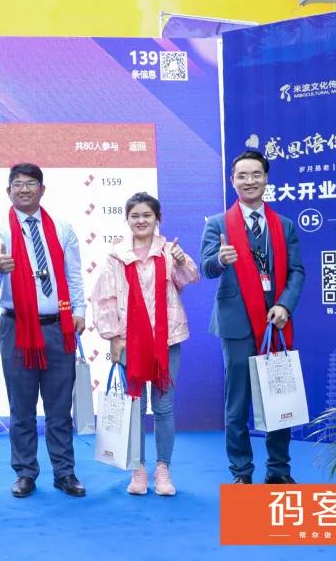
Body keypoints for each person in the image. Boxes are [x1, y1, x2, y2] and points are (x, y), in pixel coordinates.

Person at [0, 163, 87, 498]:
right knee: (22, 407)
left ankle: (64, 472)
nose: (24, 189)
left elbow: (73, 274)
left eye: (30, 183)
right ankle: (25, 472)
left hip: (58, 327)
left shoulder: (62, 227)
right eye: (17, 184)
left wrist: (80, 311)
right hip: (17, 328)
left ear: (42, 189)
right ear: (8, 191)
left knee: (59, 408)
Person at [200, 150, 305, 485]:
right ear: (232, 181)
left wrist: (285, 305)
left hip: (276, 323)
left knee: (280, 398)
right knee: (237, 403)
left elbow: (297, 271)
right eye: (242, 176)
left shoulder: (283, 225)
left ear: (266, 179)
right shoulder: (218, 224)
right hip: (237, 325)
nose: (249, 181)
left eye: (256, 175)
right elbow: (206, 269)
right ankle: (242, 473)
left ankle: (279, 470)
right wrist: (220, 259)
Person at [92, 192, 199, 496]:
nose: (141, 221)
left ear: (158, 219)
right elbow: (104, 298)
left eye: (147, 215)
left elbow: (190, 277)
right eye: (135, 216)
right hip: (131, 341)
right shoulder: (115, 256)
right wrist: (113, 336)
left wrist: (181, 260)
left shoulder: (169, 251)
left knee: (164, 407)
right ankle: (137, 468)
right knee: (135, 407)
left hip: (167, 339)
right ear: (127, 220)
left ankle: (163, 468)